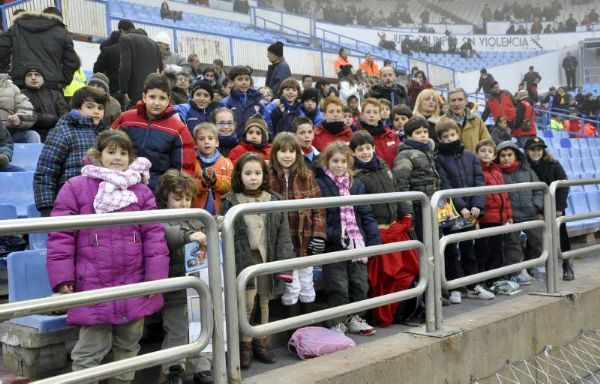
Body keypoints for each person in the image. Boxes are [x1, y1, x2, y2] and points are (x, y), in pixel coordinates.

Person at [46, 130, 169, 384]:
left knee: (128, 348)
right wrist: (62, 279)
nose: (117, 157)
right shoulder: (76, 187)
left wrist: (155, 278)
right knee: (89, 350)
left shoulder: (141, 191)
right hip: (92, 283)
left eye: (123, 153)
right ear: (98, 155)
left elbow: (154, 237)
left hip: (134, 282)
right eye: (111, 152)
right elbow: (61, 236)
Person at [220, 152, 295, 369]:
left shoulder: (274, 200)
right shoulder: (230, 201)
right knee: (246, 302)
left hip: (266, 257)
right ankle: (245, 345)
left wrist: (284, 265)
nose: (253, 177)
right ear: (239, 175)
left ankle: (261, 343)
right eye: (248, 173)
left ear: (264, 175)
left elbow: (283, 235)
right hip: (244, 257)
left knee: (263, 301)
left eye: (257, 173)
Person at [315, 141, 380, 336]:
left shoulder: (356, 184)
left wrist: (373, 240)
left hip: (356, 241)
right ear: (327, 161)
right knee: (338, 285)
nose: (339, 165)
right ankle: (338, 321)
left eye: (344, 161)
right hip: (334, 244)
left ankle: (356, 317)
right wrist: (333, 234)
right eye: (335, 161)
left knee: (360, 283)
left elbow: (366, 214)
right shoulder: (320, 183)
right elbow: (319, 217)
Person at [154, 169, 213, 384]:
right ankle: (174, 369)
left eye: (188, 198)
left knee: (201, 326)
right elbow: (168, 234)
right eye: (177, 198)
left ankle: (203, 368)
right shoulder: (159, 218)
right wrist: (189, 236)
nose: (184, 203)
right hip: (174, 285)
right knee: (177, 329)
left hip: (197, 284)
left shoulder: (195, 219)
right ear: (165, 198)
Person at [268, 132, 326, 326]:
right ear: (275, 153)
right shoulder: (269, 177)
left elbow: (318, 208)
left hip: (304, 238)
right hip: (283, 241)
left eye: (292, 151)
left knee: (307, 282)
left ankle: (307, 328)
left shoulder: (306, 176)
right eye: (282, 151)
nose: (287, 155)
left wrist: (318, 235)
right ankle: (292, 331)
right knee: (291, 286)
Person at [435, 120, 490, 301]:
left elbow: (478, 181)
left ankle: (473, 284)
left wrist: (477, 205)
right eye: (445, 136)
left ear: (458, 134)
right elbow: (445, 184)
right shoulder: (439, 159)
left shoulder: (470, 156)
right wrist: (461, 206)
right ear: (440, 139)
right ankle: (454, 288)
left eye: (452, 135)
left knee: (468, 248)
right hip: (449, 209)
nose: (450, 139)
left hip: (470, 209)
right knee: (450, 250)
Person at [113, 73, 195, 190]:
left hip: (158, 192)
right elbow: (108, 148)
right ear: (144, 97)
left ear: (168, 100)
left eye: (162, 98)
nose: (157, 103)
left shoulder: (178, 129)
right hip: (122, 185)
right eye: (152, 97)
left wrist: (175, 193)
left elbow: (184, 169)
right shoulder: (125, 119)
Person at [34, 87, 107, 216]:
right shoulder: (63, 131)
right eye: (90, 107)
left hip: (103, 204)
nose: (96, 111)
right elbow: (46, 172)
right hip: (70, 203)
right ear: (77, 108)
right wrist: (47, 207)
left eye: (100, 108)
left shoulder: (108, 134)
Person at [524, 137, 574, 281]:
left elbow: (563, 185)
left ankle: (567, 265)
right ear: (527, 151)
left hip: (555, 206)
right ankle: (530, 266)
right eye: (532, 149)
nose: (536, 152)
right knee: (532, 237)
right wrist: (536, 210)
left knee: (562, 235)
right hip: (534, 208)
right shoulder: (524, 166)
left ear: (543, 150)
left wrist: (558, 207)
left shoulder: (553, 164)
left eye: (539, 149)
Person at [495, 141, 543, 286]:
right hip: (512, 217)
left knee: (540, 242)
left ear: (516, 155)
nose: (506, 158)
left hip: (531, 213)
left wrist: (536, 205)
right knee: (513, 246)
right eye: (503, 155)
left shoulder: (527, 170)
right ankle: (515, 273)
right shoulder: (497, 172)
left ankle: (539, 267)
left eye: (509, 155)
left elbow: (539, 189)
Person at [0, 7, 77, 91]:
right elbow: (71, 61)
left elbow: (2, 47)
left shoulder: (16, 28)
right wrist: (65, 81)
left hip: (22, 83)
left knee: (22, 104)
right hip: (52, 84)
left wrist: (2, 70)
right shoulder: (61, 31)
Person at [473, 139, 513, 290]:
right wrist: (476, 218)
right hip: (485, 217)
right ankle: (482, 278)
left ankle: (494, 279)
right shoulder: (476, 171)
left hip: (499, 217)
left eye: (489, 152)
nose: (486, 154)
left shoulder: (497, 171)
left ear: (494, 155)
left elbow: (505, 195)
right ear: (476, 153)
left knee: (497, 249)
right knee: (483, 249)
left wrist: (508, 215)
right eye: (482, 151)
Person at [392, 116, 440, 243]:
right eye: (418, 132)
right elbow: (401, 185)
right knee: (423, 244)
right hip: (418, 208)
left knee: (436, 242)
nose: (423, 135)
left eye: (425, 132)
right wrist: (409, 213)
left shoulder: (428, 151)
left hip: (432, 206)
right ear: (408, 136)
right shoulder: (405, 155)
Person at [118, 21, 163, 108]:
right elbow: (160, 69)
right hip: (152, 93)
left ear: (122, 30)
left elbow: (125, 66)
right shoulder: (153, 43)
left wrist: (124, 90)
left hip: (134, 94)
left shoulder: (125, 39)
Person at [191, 122, 233, 215]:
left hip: (221, 213)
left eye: (210, 138)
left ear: (217, 142)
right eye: (201, 139)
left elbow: (232, 185)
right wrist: (202, 183)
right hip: (197, 216)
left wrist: (215, 180)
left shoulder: (226, 163)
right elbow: (188, 188)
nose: (206, 142)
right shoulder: (192, 163)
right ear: (196, 144)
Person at [20, 65, 69, 141]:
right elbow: (29, 115)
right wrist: (53, 120)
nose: (33, 78)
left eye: (37, 75)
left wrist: (59, 122)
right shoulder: (20, 95)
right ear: (24, 79)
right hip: (33, 134)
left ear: (43, 78)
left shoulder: (55, 94)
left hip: (56, 133)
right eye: (29, 75)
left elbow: (64, 114)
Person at [439, 88, 491, 152]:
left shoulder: (477, 120)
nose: (457, 104)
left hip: (474, 161)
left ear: (466, 101)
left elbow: (487, 142)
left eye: (460, 99)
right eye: (453, 100)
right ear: (448, 103)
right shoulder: (441, 121)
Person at [220, 66, 264, 137]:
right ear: (232, 82)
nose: (244, 82)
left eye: (247, 79)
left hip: (253, 144)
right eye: (240, 79)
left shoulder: (258, 101)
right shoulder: (225, 103)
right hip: (233, 144)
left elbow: (267, 121)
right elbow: (221, 125)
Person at [356, 98, 399, 169]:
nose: (372, 115)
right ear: (362, 115)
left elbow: (399, 158)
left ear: (379, 116)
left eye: (375, 112)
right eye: (368, 112)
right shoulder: (357, 137)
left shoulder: (391, 135)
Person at [93, 30, 122, 101]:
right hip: (126, 90)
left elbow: (97, 69)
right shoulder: (127, 50)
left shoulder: (107, 50)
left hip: (111, 88)